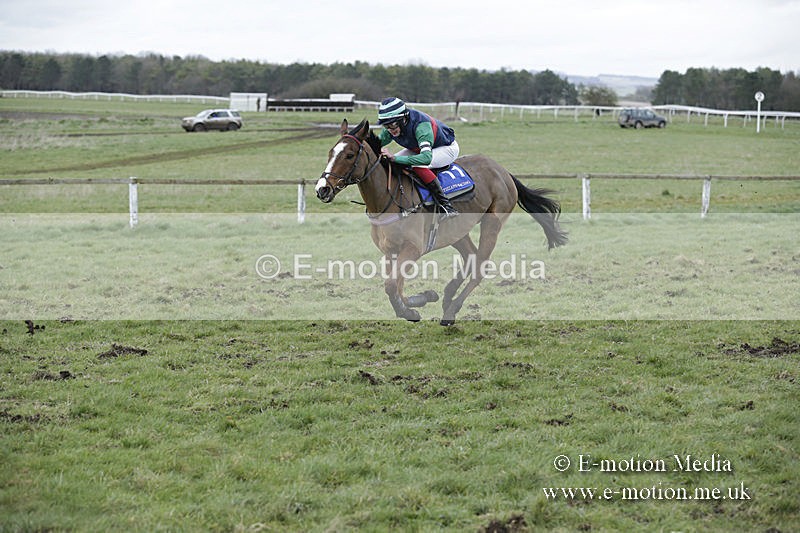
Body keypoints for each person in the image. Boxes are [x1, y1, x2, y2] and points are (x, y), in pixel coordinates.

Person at [376, 97, 460, 217]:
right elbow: (374, 144)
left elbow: (426, 158)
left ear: (403, 119)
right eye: (386, 126)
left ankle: (445, 205)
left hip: (446, 148)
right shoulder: (391, 128)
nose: (390, 130)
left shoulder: (421, 126)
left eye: (393, 125)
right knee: (389, 164)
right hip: (418, 148)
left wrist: (395, 158)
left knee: (417, 165)